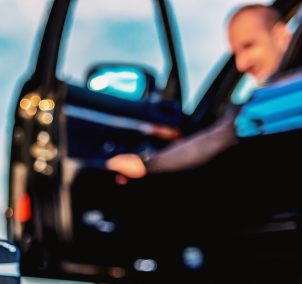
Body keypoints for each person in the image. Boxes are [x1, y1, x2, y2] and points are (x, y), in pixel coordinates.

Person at [105, 4, 292, 180]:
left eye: (249, 46)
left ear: (280, 35)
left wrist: (148, 163)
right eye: (236, 54)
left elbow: (223, 134)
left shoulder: (277, 98)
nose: (241, 64)